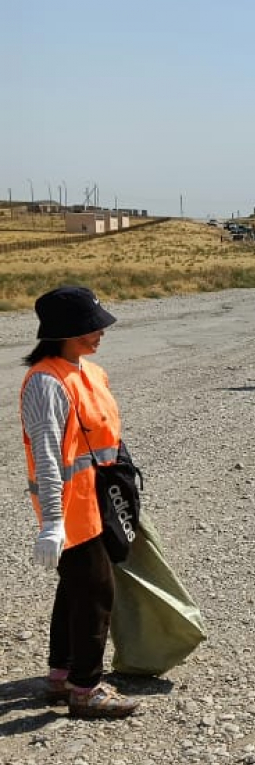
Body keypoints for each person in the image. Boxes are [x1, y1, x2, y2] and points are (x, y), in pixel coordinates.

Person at [19, 286, 139, 718]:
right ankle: (85, 689)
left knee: (76, 588)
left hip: (99, 500)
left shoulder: (90, 372)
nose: (101, 332)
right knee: (95, 592)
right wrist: (52, 522)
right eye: (92, 326)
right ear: (65, 332)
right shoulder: (45, 383)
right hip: (70, 509)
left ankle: (62, 674)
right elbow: (47, 457)